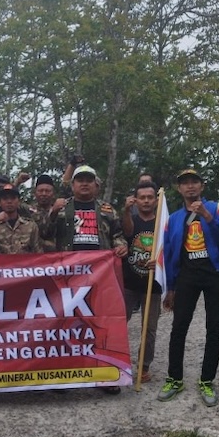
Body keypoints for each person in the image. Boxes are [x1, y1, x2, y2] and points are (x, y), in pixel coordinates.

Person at [156, 168, 219, 406]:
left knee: (215, 327)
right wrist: (170, 287)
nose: (190, 186)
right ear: (179, 189)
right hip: (187, 276)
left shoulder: (217, 208)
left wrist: (207, 217)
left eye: (194, 182)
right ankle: (175, 378)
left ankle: (207, 380)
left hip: (215, 273)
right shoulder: (174, 219)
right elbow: (170, 253)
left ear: (202, 186)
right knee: (179, 327)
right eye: (185, 183)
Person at [47, 164, 127, 395]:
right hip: (67, 276)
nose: (84, 184)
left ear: (96, 185)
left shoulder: (107, 210)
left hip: (101, 276)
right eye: (79, 180)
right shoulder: (62, 208)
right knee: (65, 323)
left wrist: (121, 246)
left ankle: (107, 375)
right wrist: (52, 213)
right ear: (72, 185)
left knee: (102, 323)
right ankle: (64, 375)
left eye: (88, 180)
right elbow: (43, 234)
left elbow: (118, 235)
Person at [120, 181, 162, 382]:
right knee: (119, 322)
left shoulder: (162, 223)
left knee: (149, 328)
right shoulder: (130, 219)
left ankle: (143, 367)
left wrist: (160, 263)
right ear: (135, 200)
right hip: (129, 283)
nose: (146, 201)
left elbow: (169, 250)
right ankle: (116, 360)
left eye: (150, 197)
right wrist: (126, 211)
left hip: (153, 285)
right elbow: (128, 233)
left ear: (156, 200)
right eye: (142, 197)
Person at [32, 174, 58, 251]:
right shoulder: (27, 211)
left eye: (47, 191)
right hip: (34, 254)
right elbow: (9, 201)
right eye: (40, 191)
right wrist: (18, 182)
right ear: (35, 193)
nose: (44, 194)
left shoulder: (61, 211)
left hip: (58, 254)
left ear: (53, 193)